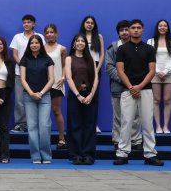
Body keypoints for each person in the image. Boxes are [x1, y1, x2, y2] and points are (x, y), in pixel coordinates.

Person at [115, 19, 164, 166]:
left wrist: (140, 86)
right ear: (129, 30)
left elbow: (152, 71)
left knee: (147, 123)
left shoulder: (149, 49)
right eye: (133, 28)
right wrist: (131, 87)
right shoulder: (122, 49)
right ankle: (122, 153)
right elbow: (120, 70)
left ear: (142, 30)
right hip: (127, 90)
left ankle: (150, 154)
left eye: (138, 28)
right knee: (126, 122)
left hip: (146, 90)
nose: (136, 30)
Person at [105, 20, 141, 150]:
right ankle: (118, 140)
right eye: (121, 30)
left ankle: (135, 140)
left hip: (135, 87)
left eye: (126, 29)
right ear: (118, 33)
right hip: (118, 87)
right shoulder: (112, 47)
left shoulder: (137, 46)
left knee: (135, 115)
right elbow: (109, 67)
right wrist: (124, 80)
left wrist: (133, 82)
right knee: (118, 115)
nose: (124, 32)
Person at [65, 35, 99, 165]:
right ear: (74, 44)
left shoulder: (91, 59)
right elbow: (69, 78)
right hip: (75, 95)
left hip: (90, 95)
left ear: (85, 44)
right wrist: (78, 95)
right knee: (75, 125)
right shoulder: (69, 59)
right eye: (78, 41)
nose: (80, 43)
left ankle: (88, 154)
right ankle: (76, 154)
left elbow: (96, 78)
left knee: (89, 125)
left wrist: (91, 95)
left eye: (82, 41)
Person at [19, 34, 54, 164]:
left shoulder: (47, 59)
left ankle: (46, 156)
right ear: (29, 45)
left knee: (44, 126)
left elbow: (52, 79)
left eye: (36, 43)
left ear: (41, 44)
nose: (34, 45)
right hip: (29, 96)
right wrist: (32, 93)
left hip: (45, 96)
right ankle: (35, 156)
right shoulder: (24, 60)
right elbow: (22, 79)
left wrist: (41, 92)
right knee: (32, 127)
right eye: (32, 43)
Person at [10, 14, 42, 133]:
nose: (26, 24)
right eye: (24, 22)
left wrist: (33, 67)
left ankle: (33, 124)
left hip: (36, 74)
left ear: (33, 24)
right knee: (19, 100)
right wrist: (23, 66)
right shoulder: (17, 37)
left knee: (35, 98)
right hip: (19, 72)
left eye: (29, 22)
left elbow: (43, 53)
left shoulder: (39, 37)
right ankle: (20, 124)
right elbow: (15, 55)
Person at [149, 19, 171, 134]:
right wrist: (157, 71)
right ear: (157, 27)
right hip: (154, 73)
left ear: (167, 28)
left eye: (165, 26)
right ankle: (158, 126)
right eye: (160, 25)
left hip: (169, 74)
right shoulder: (150, 41)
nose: (162, 27)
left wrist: (165, 71)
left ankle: (166, 126)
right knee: (156, 100)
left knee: (167, 100)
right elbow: (149, 58)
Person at [44, 24, 67, 150]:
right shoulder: (40, 48)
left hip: (57, 84)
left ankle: (61, 138)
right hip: (43, 85)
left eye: (52, 32)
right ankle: (44, 139)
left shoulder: (62, 49)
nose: (49, 34)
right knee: (43, 113)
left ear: (56, 34)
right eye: (47, 32)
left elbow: (64, 65)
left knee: (56, 110)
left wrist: (63, 77)